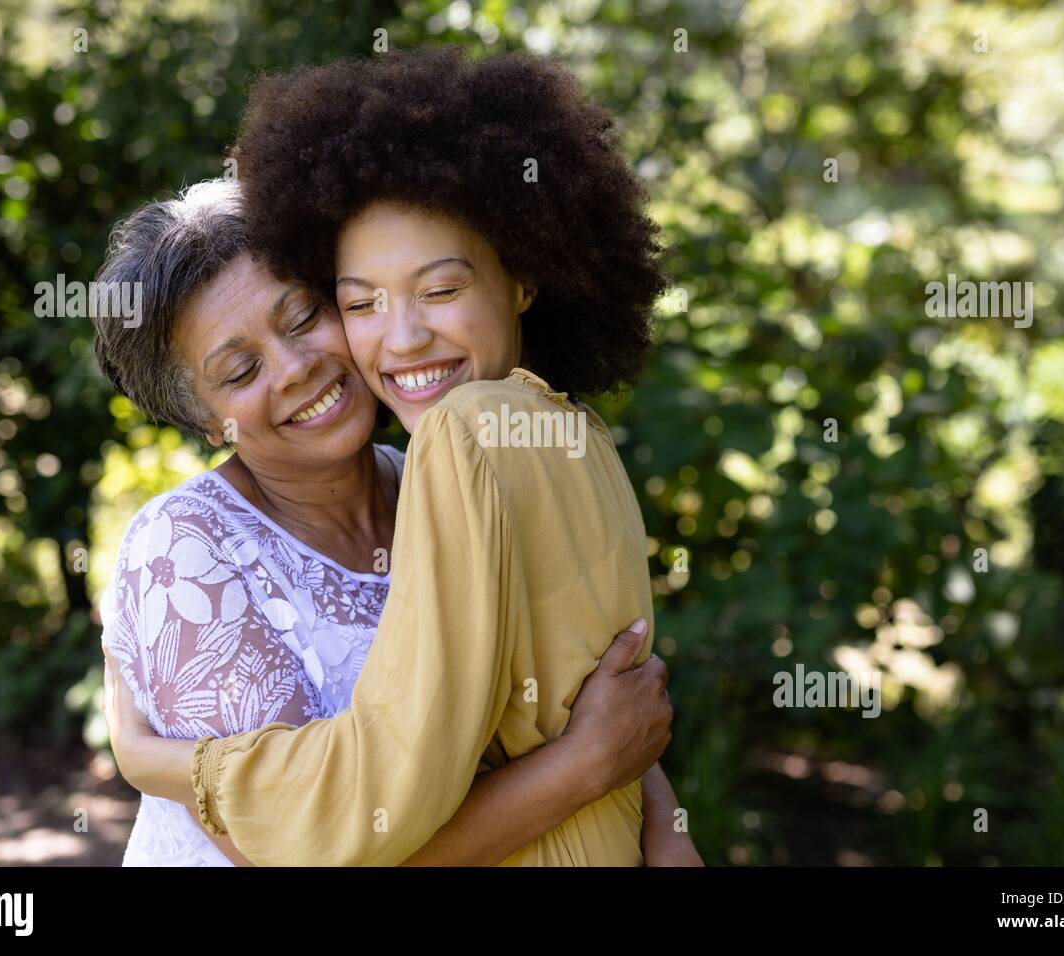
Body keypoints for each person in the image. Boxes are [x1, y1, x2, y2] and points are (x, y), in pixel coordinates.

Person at [95, 178, 677, 866]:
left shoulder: (449, 476)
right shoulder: (185, 551)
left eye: (305, 317)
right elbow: (296, 856)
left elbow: (587, 692)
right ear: (201, 418)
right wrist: (582, 769)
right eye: (242, 368)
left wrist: (665, 822)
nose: (295, 368)